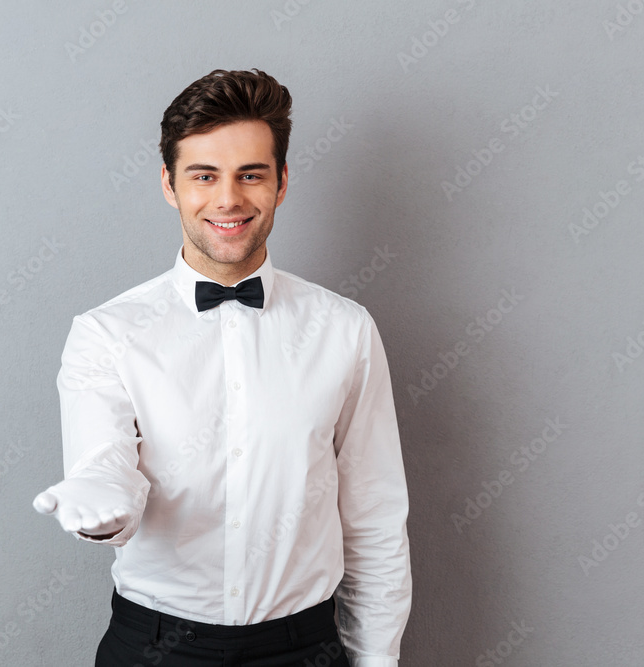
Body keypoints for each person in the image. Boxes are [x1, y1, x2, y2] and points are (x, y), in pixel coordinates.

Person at [33, 68, 411, 666]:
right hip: (155, 649)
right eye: (204, 176)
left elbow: (374, 518)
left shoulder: (346, 330)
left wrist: (377, 660)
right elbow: (104, 467)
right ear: (169, 184)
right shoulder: (107, 332)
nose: (228, 198)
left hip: (302, 648)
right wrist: (103, 501)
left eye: (250, 174)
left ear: (281, 182)